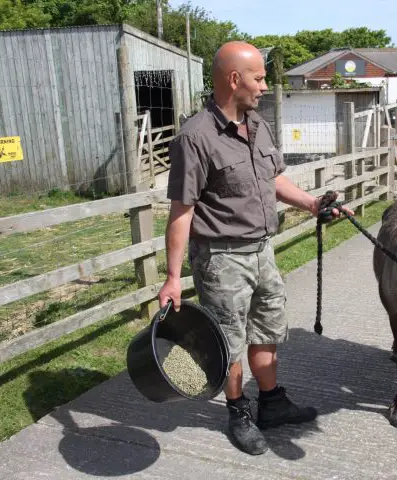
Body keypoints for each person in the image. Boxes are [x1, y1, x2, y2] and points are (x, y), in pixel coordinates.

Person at [158, 41, 352, 456]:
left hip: (263, 249)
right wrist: (173, 278)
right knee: (227, 340)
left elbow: (274, 181)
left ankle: (272, 403)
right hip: (221, 258)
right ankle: (238, 412)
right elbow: (181, 212)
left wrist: (314, 204)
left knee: (266, 329)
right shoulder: (195, 137)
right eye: (260, 77)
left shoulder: (257, 125)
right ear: (234, 79)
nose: (266, 85)